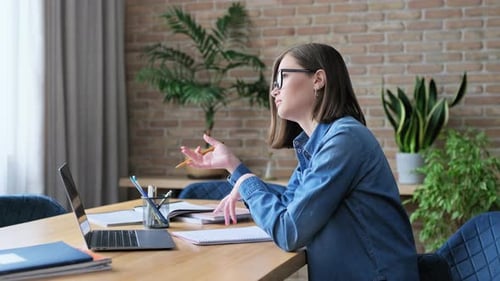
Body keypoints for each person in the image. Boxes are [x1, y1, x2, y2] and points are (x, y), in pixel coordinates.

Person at [180, 43, 419, 280]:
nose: (274, 91)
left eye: (282, 78)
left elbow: (288, 231)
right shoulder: (317, 144)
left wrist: (243, 180)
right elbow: (288, 204)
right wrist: (237, 171)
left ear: (318, 80)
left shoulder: (344, 140)